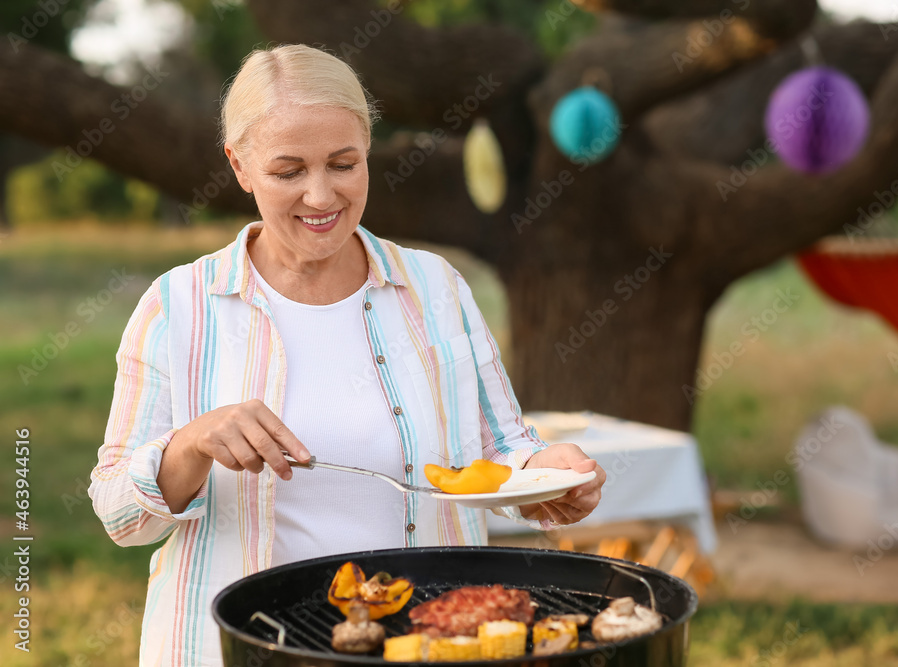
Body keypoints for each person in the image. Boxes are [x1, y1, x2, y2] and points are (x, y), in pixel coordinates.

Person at [88, 44, 606, 666]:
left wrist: (550, 475)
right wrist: (194, 442)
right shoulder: (180, 305)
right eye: (288, 171)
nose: (320, 195)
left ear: (367, 152)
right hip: (235, 649)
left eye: (343, 163)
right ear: (239, 165)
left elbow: (500, 451)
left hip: (421, 641)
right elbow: (122, 516)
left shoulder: (435, 287)